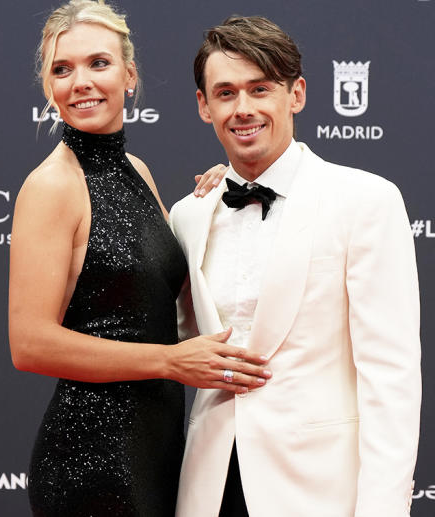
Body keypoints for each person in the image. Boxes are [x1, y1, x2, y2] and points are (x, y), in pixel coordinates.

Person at [7, 2, 270, 515]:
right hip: (90, 460)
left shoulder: (137, 170)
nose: (80, 81)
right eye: (62, 70)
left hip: (157, 448)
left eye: (97, 63)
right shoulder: (51, 186)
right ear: (49, 88)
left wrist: (222, 190)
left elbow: (169, 287)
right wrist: (170, 362)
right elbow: (30, 343)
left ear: (129, 75)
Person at [170, 15, 420, 517]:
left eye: (260, 89)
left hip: (319, 493)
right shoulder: (189, 213)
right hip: (210, 488)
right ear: (203, 105)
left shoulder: (366, 200)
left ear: (296, 94)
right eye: (225, 93)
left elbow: (391, 379)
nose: (243, 109)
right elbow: (177, 343)